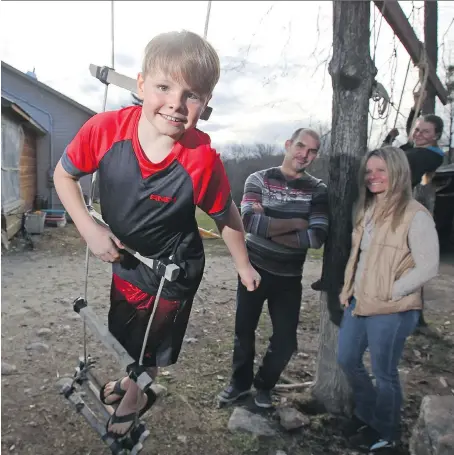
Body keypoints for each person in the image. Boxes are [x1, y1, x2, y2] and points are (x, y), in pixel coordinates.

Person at [53, 30, 260, 439]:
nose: (177, 104)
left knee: (149, 342)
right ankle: (135, 381)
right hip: (126, 257)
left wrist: (243, 263)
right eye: (164, 87)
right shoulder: (104, 130)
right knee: (126, 330)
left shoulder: (201, 159)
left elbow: (225, 213)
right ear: (142, 84)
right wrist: (89, 228)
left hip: (173, 269)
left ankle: (134, 398)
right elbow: (63, 175)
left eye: (193, 95)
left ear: (206, 103)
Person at [337, 146, 439, 454]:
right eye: (369, 171)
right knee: (347, 360)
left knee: (384, 373)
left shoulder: (415, 214)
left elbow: (429, 266)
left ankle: (386, 432)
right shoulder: (367, 208)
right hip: (358, 302)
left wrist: (391, 291)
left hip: (392, 308)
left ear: (398, 173)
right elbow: (361, 256)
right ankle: (367, 414)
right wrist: (349, 289)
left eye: (380, 170)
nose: (373, 177)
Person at [218, 128, 329, 408]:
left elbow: (316, 237)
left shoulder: (318, 190)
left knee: (286, 341)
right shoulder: (259, 179)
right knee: (244, 332)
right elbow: (249, 223)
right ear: (288, 145)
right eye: (301, 146)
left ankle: (264, 385)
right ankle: (239, 385)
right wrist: (295, 223)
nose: (305, 154)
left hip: (289, 278)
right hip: (253, 269)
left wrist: (271, 228)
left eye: (312, 151)